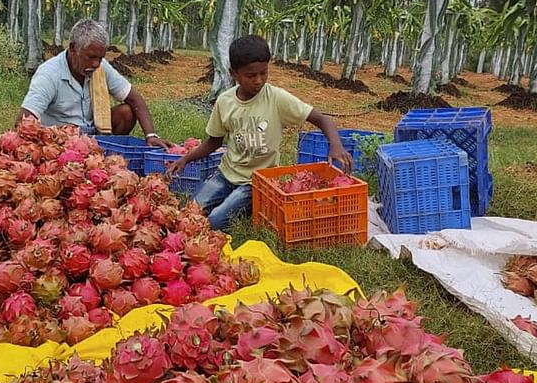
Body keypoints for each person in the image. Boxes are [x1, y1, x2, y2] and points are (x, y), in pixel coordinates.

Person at [166, 35, 352, 230]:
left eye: (263, 73)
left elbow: (322, 119)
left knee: (215, 222)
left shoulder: (276, 98)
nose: (258, 80)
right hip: (226, 174)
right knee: (190, 213)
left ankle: (250, 204)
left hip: (257, 181)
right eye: (251, 75)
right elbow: (213, 142)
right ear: (233, 73)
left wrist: (336, 145)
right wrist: (185, 159)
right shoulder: (225, 101)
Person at [17, 19, 169, 147]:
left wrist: (150, 135)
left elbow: (134, 98)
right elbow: (24, 120)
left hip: (94, 136)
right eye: (91, 57)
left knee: (127, 113)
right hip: (59, 140)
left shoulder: (100, 68)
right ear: (72, 49)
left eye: (100, 58)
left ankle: (106, 154)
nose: (96, 63)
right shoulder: (49, 73)